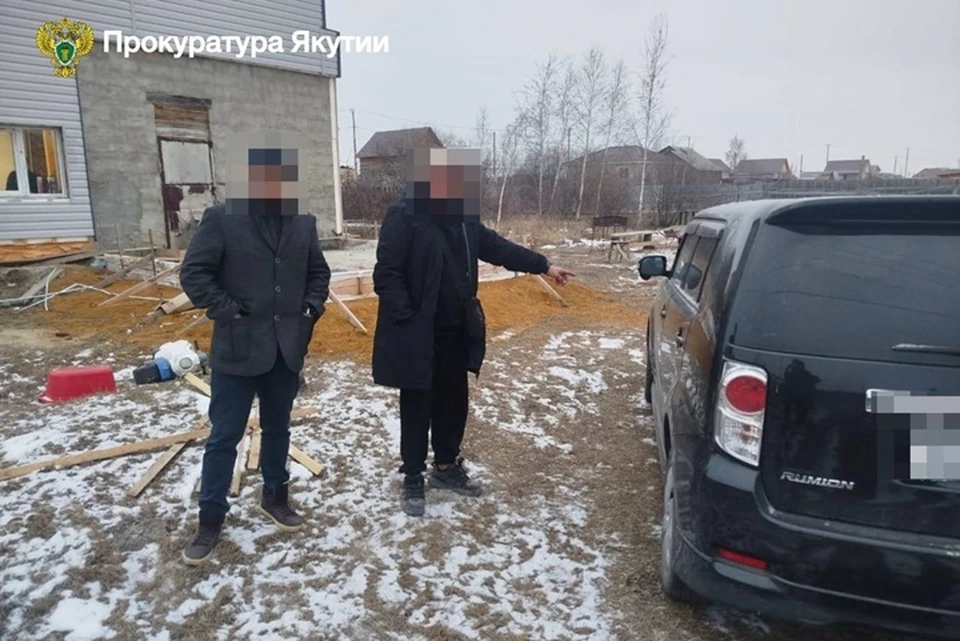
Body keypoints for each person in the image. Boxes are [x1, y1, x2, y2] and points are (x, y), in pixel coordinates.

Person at [372, 148, 575, 516]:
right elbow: (387, 273)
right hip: (418, 332)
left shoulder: (464, 218)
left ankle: (446, 466)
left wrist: (543, 265)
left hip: (456, 328)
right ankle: (413, 475)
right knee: (417, 404)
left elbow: (497, 248)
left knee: (453, 402)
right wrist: (407, 317)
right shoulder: (403, 215)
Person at [179, 143, 330, 564]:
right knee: (224, 436)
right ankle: (210, 518)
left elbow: (318, 273)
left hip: (286, 349)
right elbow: (194, 273)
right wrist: (230, 310)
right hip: (238, 349)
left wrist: (310, 308)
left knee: (278, 429)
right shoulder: (223, 219)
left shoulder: (303, 222)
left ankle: (275, 497)